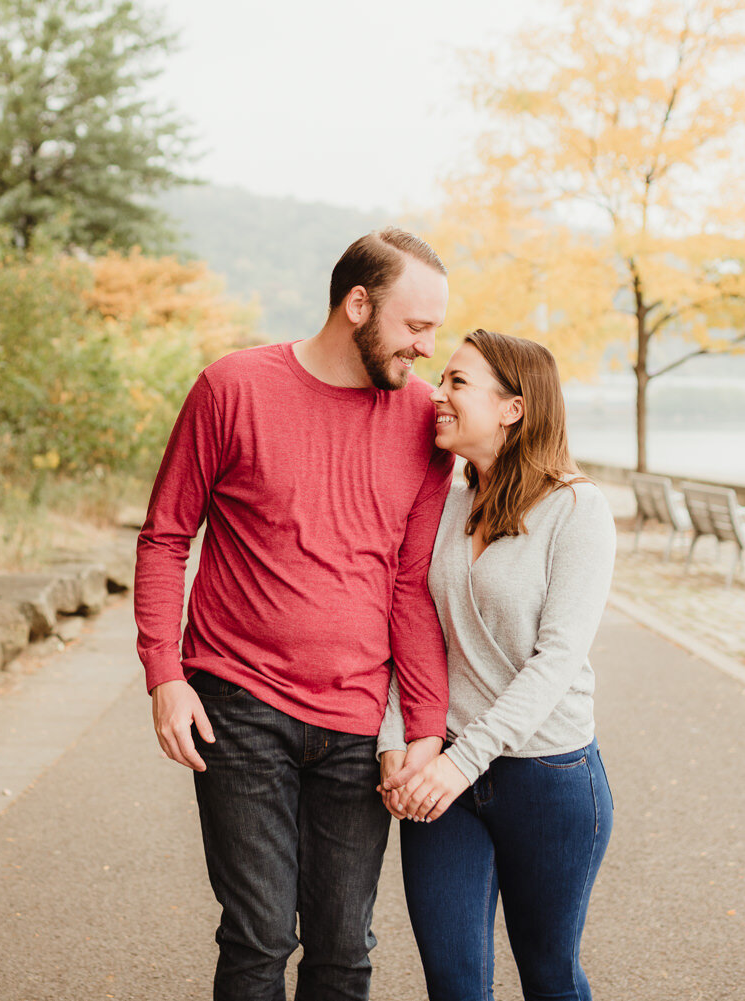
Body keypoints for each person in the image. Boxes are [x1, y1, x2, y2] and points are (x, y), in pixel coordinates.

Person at [134, 227, 456, 1001]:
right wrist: (164, 675)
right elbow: (166, 535)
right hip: (237, 706)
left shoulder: (423, 422)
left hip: (354, 719)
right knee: (260, 934)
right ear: (357, 304)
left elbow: (410, 585)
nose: (426, 350)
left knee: (345, 947)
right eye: (416, 327)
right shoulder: (232, 387)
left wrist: (424, 726)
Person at [377, 328, 617, 1001]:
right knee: (453, 984)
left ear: (513, 407)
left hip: (548, 780)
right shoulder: (446, 503)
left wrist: (459, 761)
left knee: (550, 978)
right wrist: (397, 736)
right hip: (445, 778)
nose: (436, 393)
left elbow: (557, 660)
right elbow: (411, 628)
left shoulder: (578, 511)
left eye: (457, 381)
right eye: (441, 378)